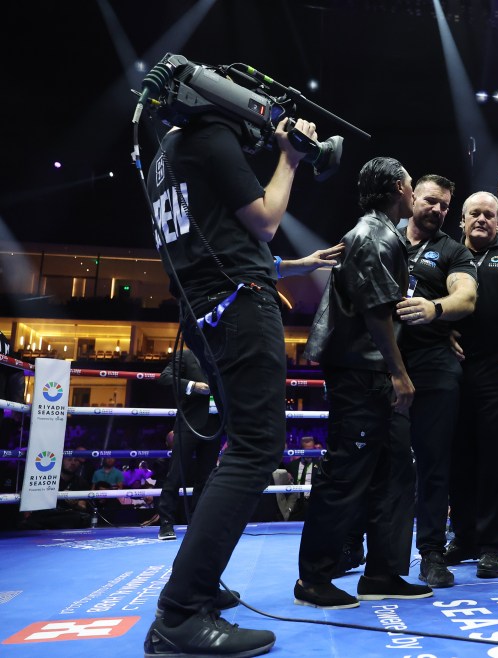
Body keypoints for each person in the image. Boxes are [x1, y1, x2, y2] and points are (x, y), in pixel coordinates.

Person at [143, 108, 339, 656]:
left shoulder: (164, 155)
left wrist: (297, 266)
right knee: (257, 447)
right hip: (238, 308)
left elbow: (216, 243)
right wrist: (290, 158)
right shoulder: (211, 139)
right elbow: (266, 219)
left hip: (206, 309)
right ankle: (181, 610)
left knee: (244, 448)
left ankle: (196, 584)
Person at [297, 156, 431, 609]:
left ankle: (383, 573)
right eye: (412, 186)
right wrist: (399, 372)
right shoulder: (372, 234)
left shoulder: (383, 233)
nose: (413, 195)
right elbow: (377, 312)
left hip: (373, 371)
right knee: (345, 474)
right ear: (398, 186)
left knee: (396, 473)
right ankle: (313, 579)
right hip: (362, 373)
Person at [394, 175, 478, 589]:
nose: (438, 210)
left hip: (434, 363)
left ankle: (431, 553)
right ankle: (356, 547)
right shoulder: (380, 234)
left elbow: (466, 297)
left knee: (433, 463)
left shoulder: (453, 250)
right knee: (374, 460)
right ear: (411, 198)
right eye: (430, 201)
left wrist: (435, 309)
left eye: (445, 206)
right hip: (381, 361)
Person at [445, 191, 498, 579]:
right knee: (457, 456)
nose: (481, 219)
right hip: (452, 367)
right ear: (461, 219)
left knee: (496, 458)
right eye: (474, 213)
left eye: (489, 215)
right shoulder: (444, 252)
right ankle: (463, 537)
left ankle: (493, 545)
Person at [156, 347, 220, 541]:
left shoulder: (223, 354)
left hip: (215, 424)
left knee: (206, 476)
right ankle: (166, 523)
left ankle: (197, 524)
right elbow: (165, 377)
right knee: (176, 474)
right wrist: (192, 385)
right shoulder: (186, 355)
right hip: (189, 422)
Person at [282, 435, 320, 522]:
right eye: (305, 450)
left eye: (310, 450)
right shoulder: (292, 465)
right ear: (301, 449)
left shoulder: (319, 465)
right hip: (296, 503)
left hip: (313, 503)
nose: (308, 452)